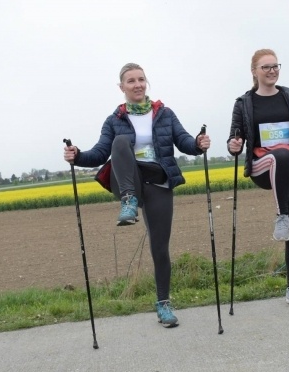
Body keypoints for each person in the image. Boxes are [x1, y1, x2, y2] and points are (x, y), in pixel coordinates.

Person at [63, 62, 209, 328]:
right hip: (127, 182)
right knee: (120, 142)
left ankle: (164, 304)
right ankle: (128, 200)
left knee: (160, 246)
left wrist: (198, 144)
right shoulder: (114, 120)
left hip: (158, 181)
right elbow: (99, 153)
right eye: (131, 81)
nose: (137, 84)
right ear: (122, 87)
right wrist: (78, 155)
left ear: (147, 83)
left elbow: (184, 141)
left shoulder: (164, 114)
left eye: (141, 79)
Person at [226, 49, 289, 309]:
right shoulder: (244, 103)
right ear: (254, 72)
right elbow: (234, 139)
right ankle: (281, 215)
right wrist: (234, 145)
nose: (272, 71)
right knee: (278, 155)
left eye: (275, 66)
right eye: (266, 67)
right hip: (262, 164)